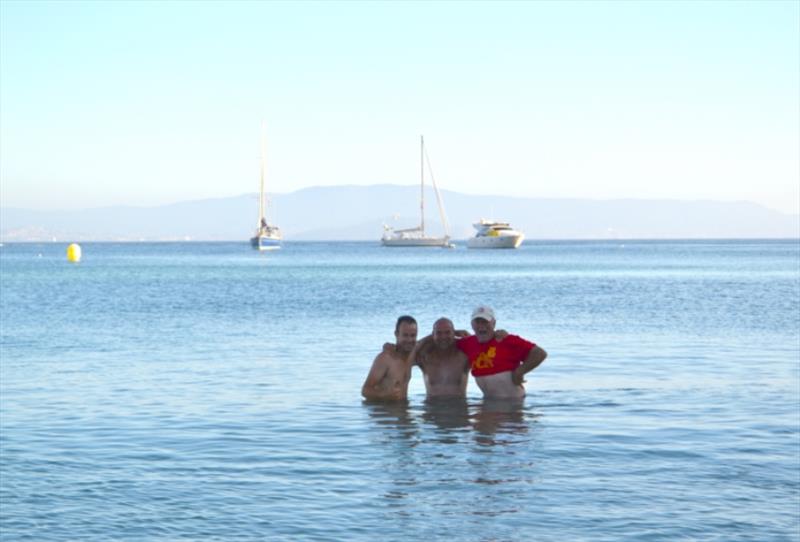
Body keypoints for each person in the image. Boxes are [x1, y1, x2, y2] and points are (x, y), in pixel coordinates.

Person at [456, 306, 547, 399]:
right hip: (488, 403)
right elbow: (445, 340)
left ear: (494, 323)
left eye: (485, 322)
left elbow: (540, 353)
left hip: (514, 402)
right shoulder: (468, 343)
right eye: (477, 322)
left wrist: (520, 371)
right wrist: (454, 332)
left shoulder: (506, 340)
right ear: (472, 324)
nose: (481, 325)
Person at [408, 317, 470, 398]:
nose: (443, 337)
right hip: (432, 408)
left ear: (454, 333)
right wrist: (428, 338)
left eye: (447, 332)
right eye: (439, 333)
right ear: (433, 335)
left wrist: (468, 336)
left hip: (459, 407)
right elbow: (405, 358)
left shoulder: (464, 355)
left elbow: (484, 349)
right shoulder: (425, 356)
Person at [361, 315, 418, 401]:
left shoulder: (412, 356)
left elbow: (433, 338)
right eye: (405, 335)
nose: (409, 340)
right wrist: (384, 395)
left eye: (413, 335)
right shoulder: (385, 359)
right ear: (396, 334)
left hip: (403, 410)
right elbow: (365, 391)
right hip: (385, 412)